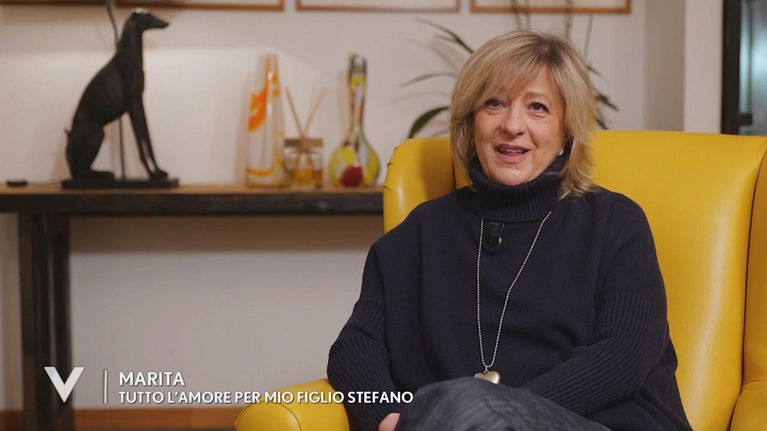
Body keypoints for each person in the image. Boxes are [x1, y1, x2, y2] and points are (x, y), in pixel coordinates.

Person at [327, 30, 692, 431]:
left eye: (537, 107)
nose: (512, 125)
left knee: (466, 401)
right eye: (494, 103)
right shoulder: (419, 233)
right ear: (471, 120)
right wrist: (388, 420)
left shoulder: (614, 223)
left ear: (566, 131)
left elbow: (624, 355)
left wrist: (496, 411)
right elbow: (355, 347)